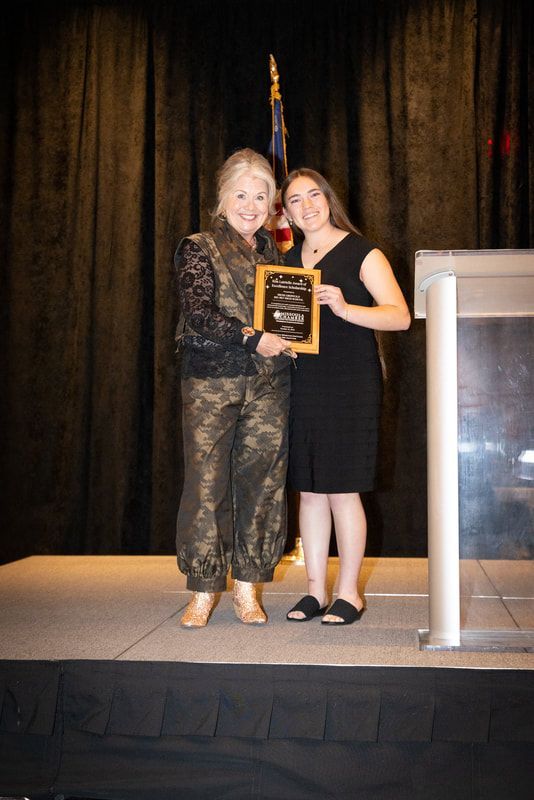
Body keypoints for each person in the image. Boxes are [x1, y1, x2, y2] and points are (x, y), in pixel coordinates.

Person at [281, 168, 410, 625]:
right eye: (295, 200)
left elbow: (400, 317)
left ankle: (349, 593)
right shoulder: (288, 261)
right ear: (287, 212)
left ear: (328, 199)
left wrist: (345, 307)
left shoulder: (362, 251)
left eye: (313, 195)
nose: (307, 205)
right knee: (310, 492)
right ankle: (314, 591)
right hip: (303, 383)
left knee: (343, 490)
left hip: (351, 383)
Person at [174, 148, 295, 628]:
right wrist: (252, 337)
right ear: (222, 200)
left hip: (269, 386)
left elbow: (292, 321)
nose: (250, 204)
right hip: (210, 384)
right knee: (205, 487)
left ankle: (248, 588)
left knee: (264, 484)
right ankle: (203, 590)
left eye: (260, 196)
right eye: (241, 194)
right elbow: (199, 314)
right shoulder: (197, 246)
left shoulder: (278, 255)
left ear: (272, 206)